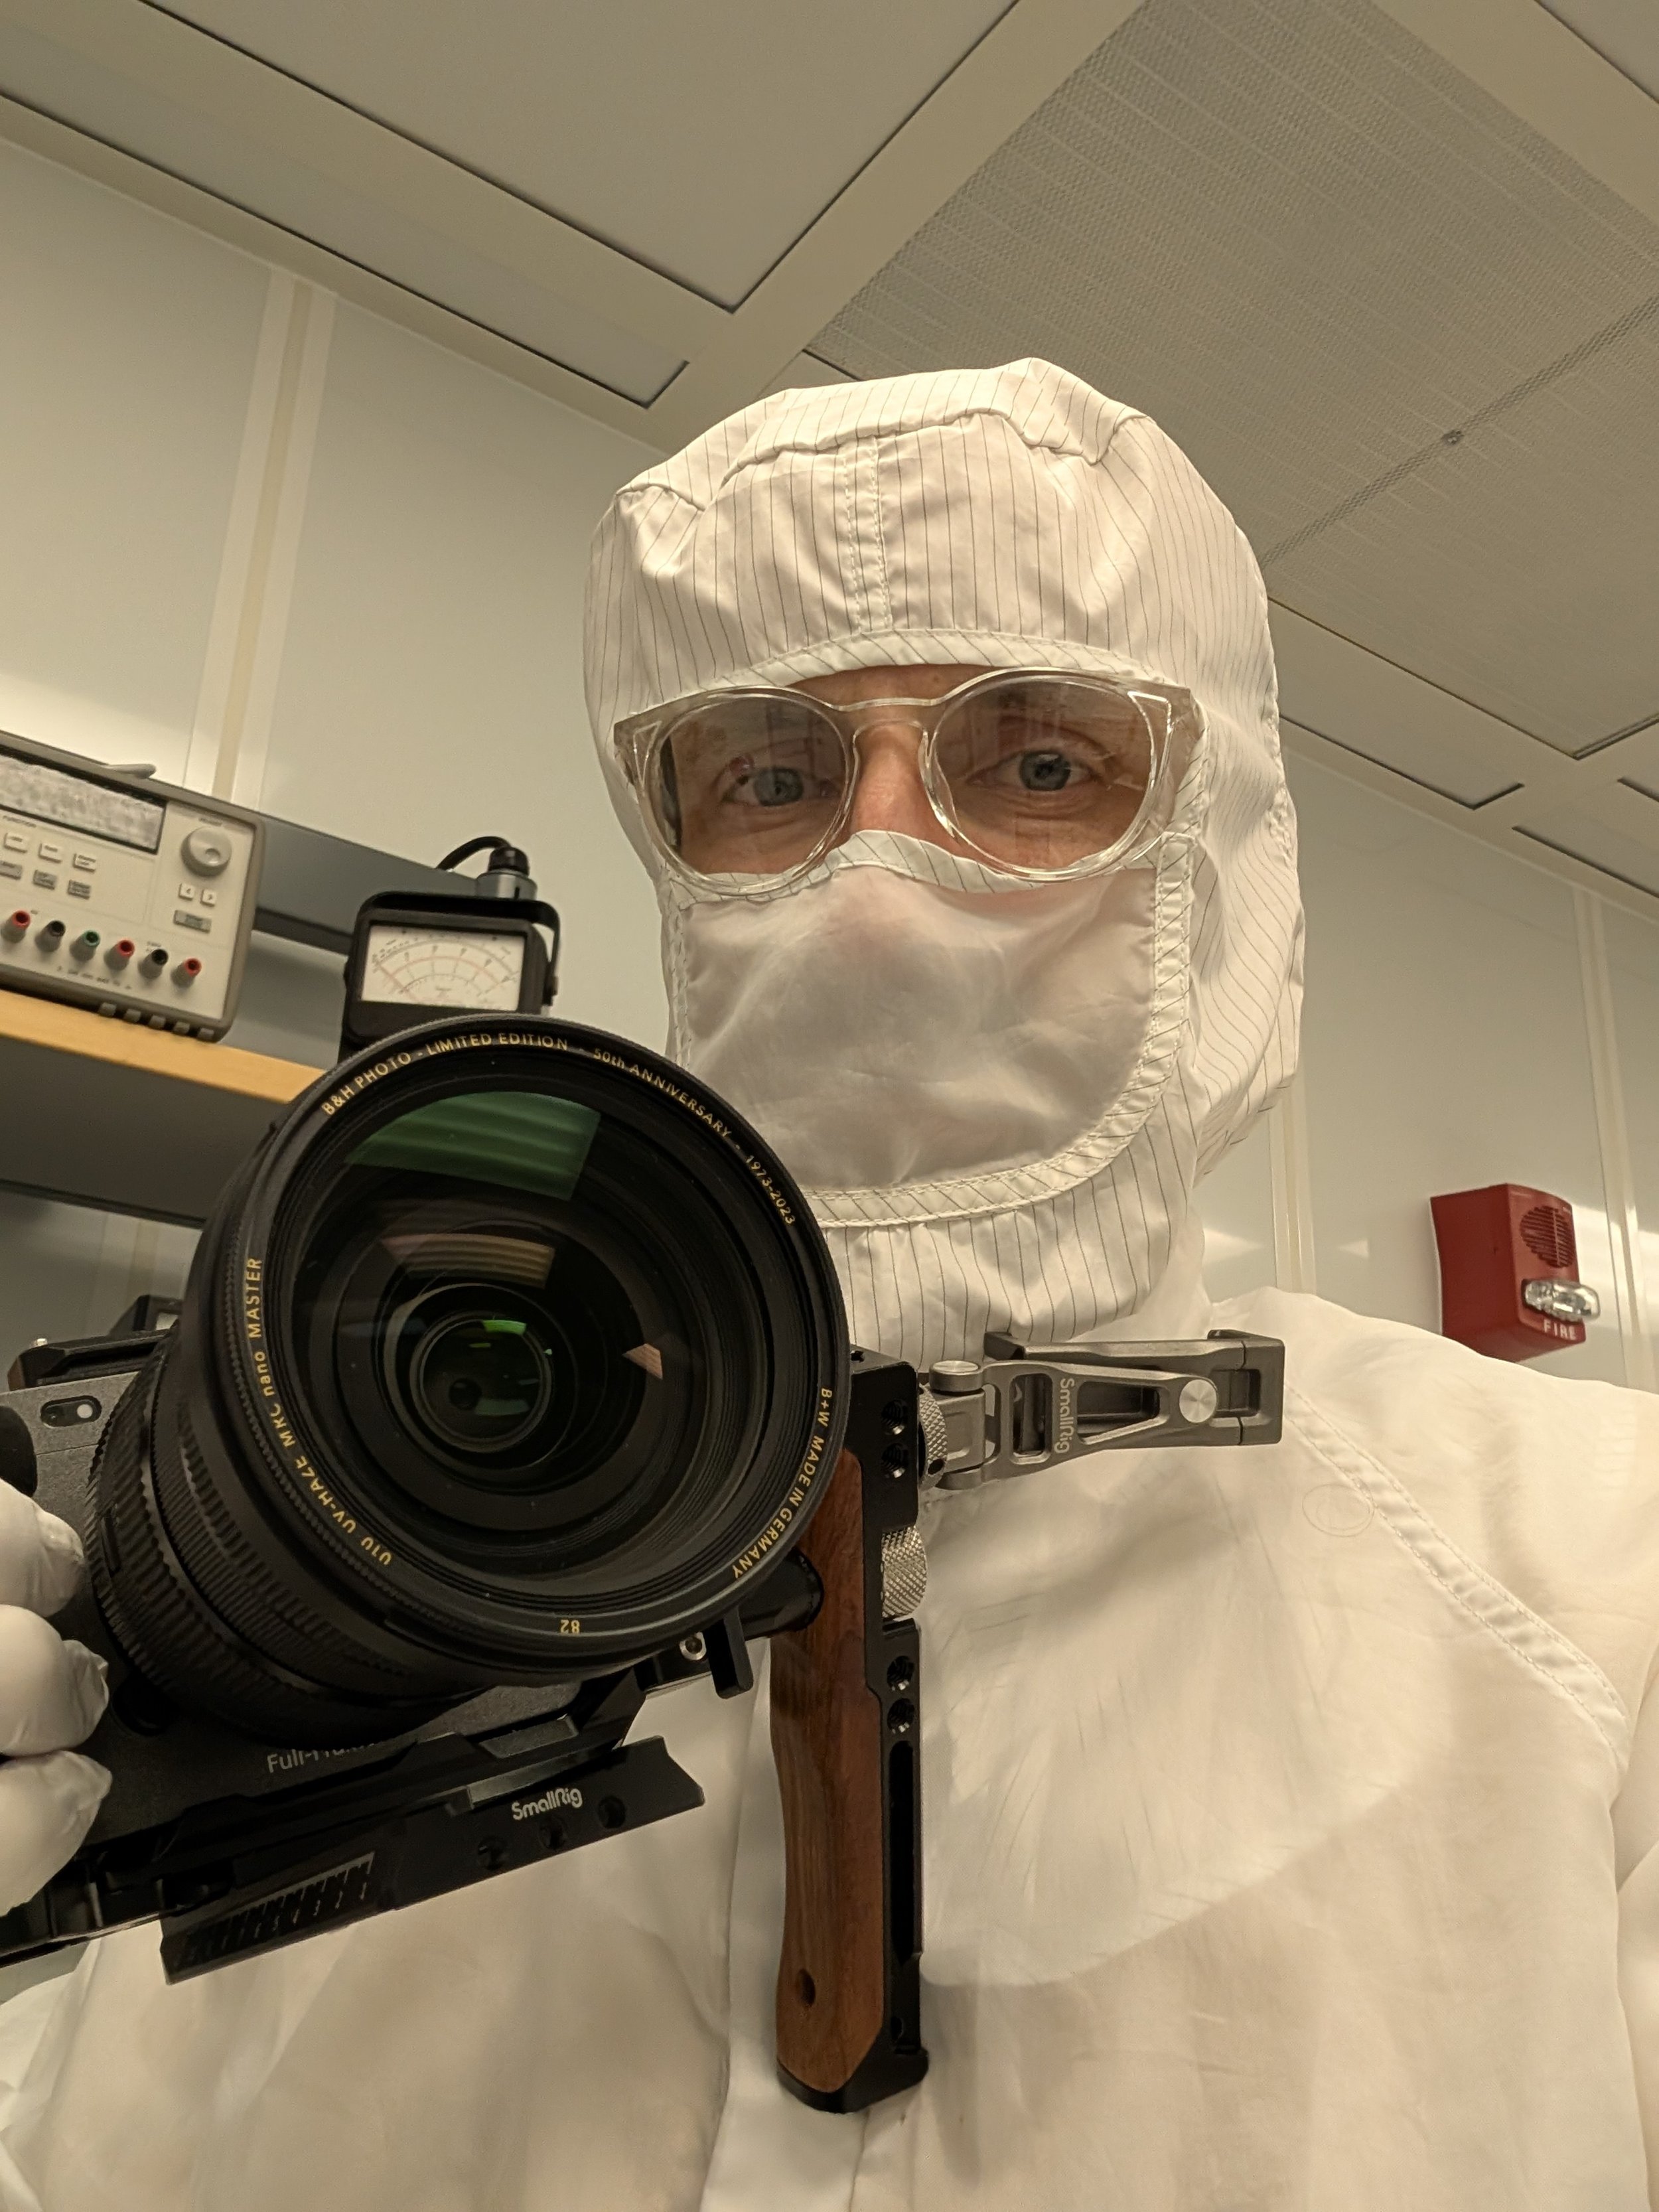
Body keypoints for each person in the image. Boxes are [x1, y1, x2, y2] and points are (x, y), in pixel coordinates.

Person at [0, 357, 1656, 2210]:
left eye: (1038, 766)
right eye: (771, 779)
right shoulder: (373, 1604)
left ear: (1225, 834)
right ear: (676, 864)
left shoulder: (1594, 1573)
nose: (873, 892)